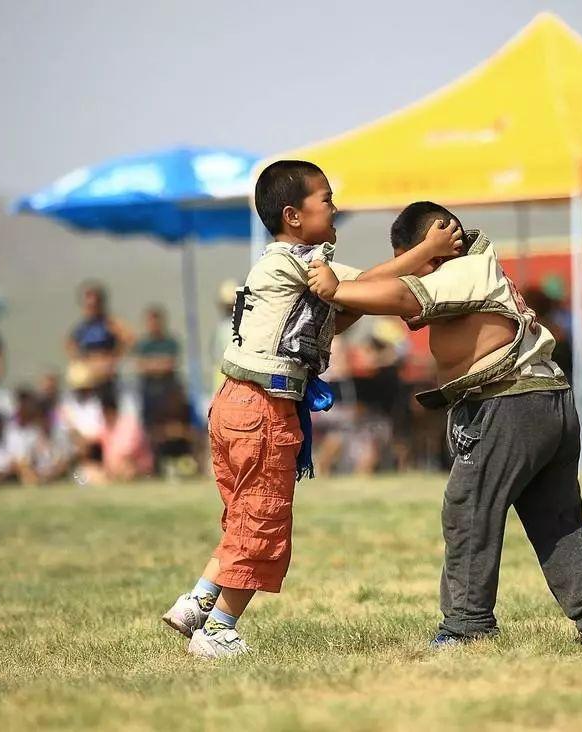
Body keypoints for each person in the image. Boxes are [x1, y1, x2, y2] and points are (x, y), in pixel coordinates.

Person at [161, 161, 462, 659]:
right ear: (292, 215)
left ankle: (198, 600)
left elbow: (352, 295)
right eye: (325, 199)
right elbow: (363, 283)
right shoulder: (291, 262)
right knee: (263, 518)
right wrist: (425, 252)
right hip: (260, 410)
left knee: (243, 514)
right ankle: (218, 629)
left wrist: (393, 281)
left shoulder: (293, 262)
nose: (335, 206)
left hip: (235, 405)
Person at [309, 201, 582, 647]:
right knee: (554, 519)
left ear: (441, 247)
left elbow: (401, 295)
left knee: (469, 510)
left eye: (419, 258)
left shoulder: (464, 270)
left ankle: (466, 624)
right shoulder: (477, 269)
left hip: (509, 404)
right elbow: (382, 284)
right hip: (546, 399)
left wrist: (337, 291)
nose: (415, 270)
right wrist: (347, 284)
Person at [67, 282, 133, 401]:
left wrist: (113, 359)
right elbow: (69, 344)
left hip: (106, 376)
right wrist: (80, 361)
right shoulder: (82, 327)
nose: (91, 308)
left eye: (94, 304)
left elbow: (129, 339)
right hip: (88, 378)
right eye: (88, 305)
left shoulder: (110, 323)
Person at [133, 306, 181, 431]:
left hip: (167, 388)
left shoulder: (170, 342)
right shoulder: (143, 344)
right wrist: (159, 364)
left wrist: (152, 364)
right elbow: (140, 365)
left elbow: (170, 364)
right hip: (149, 389)